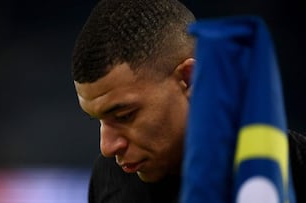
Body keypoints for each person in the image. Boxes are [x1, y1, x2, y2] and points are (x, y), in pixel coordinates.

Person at [70, 0, 306, 202]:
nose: (107, 147)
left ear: (189, 78)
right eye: (98, 120)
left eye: (124, 115)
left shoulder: (293, 169)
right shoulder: (109, 179)